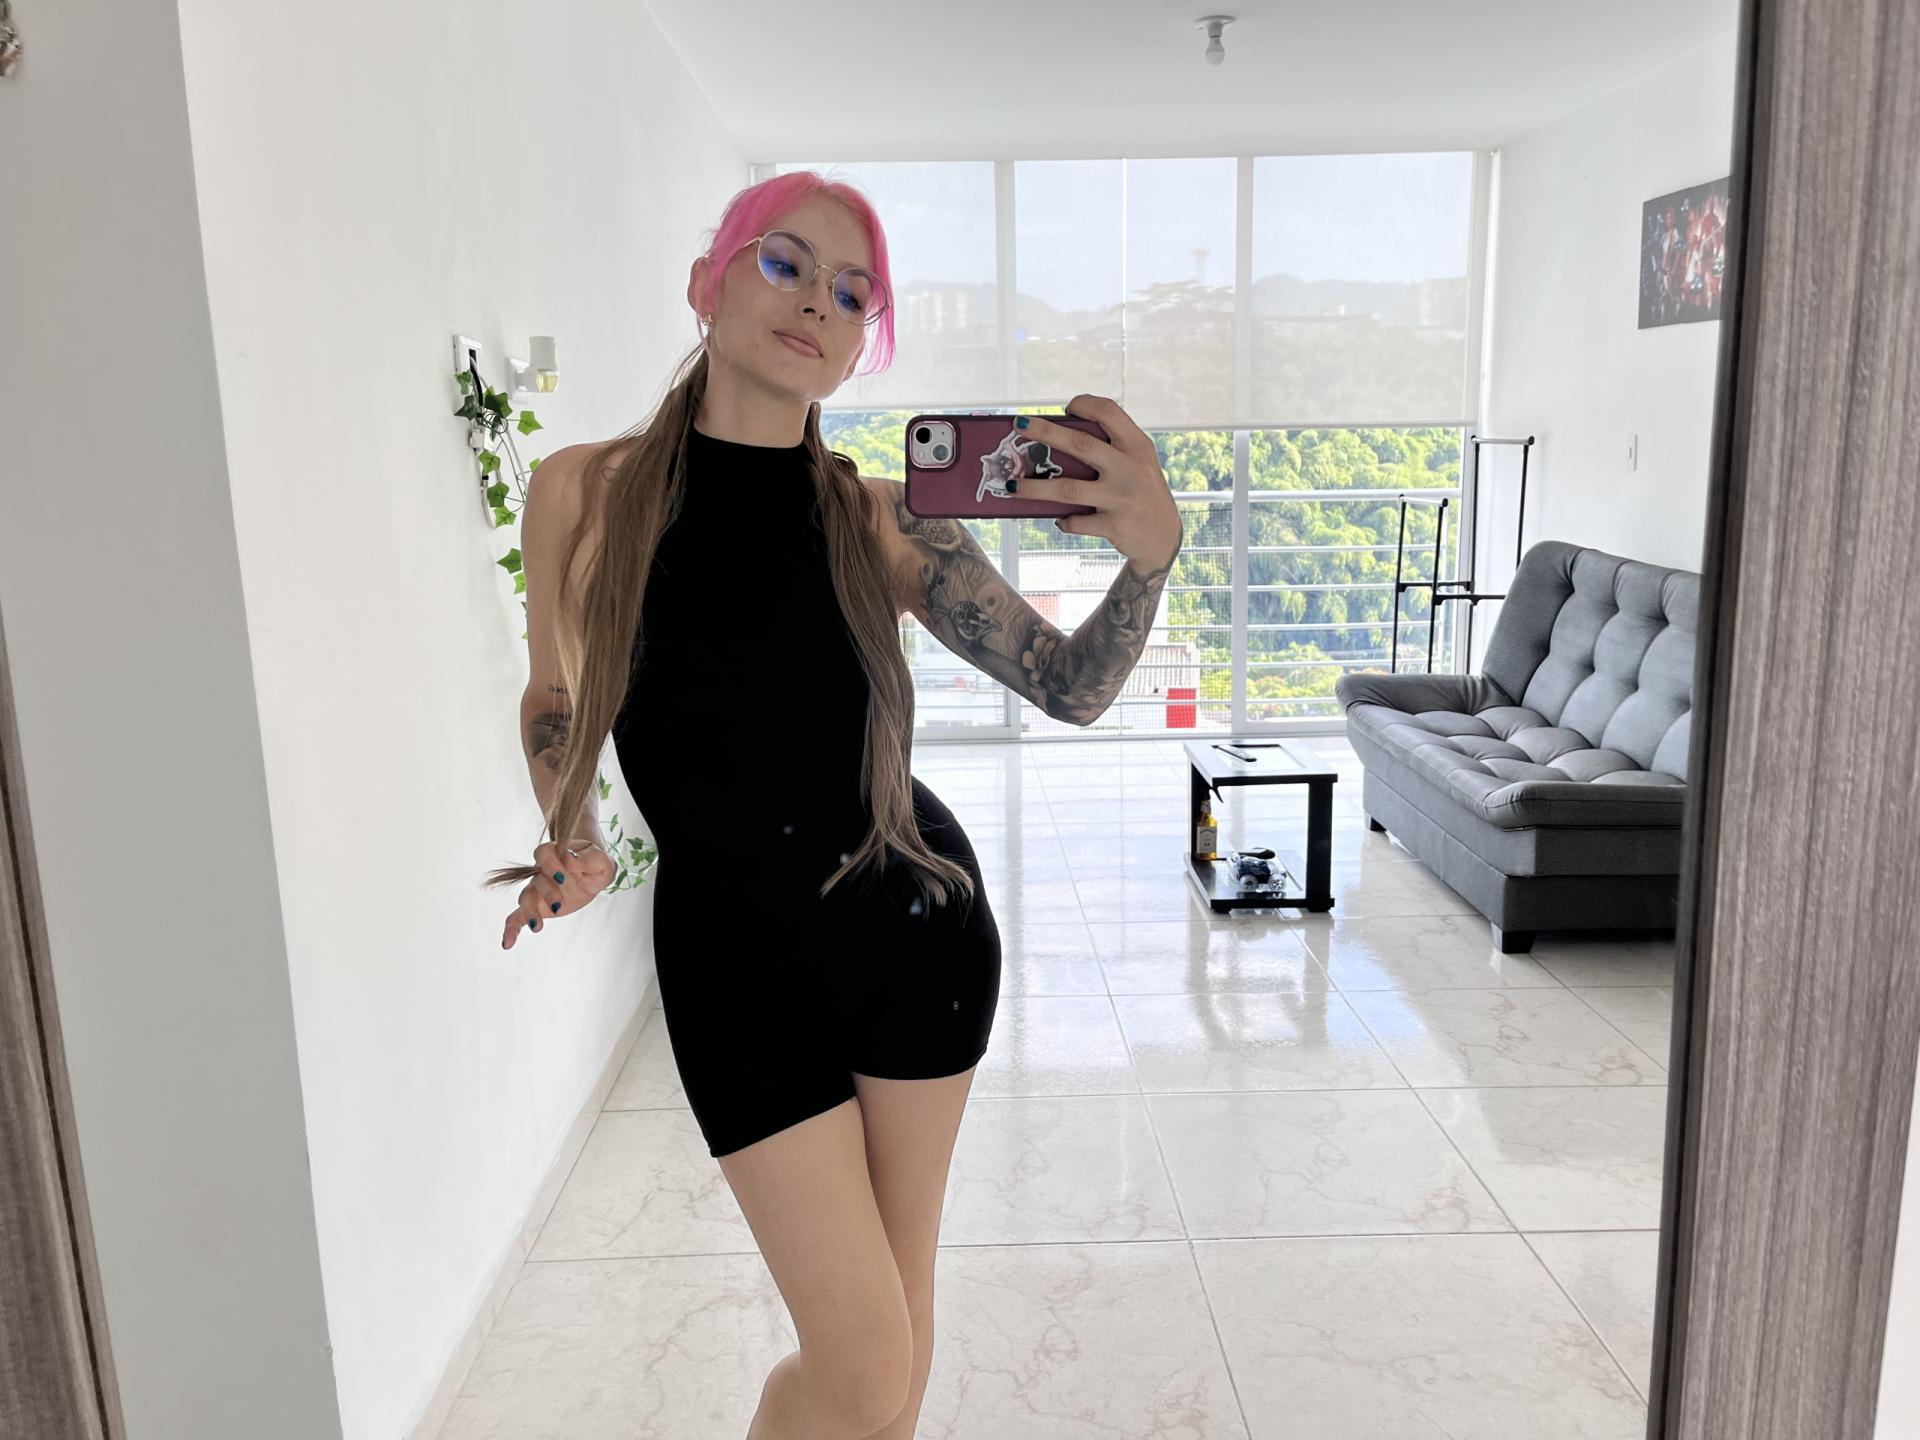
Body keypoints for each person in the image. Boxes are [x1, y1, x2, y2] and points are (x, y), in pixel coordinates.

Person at [481, 169, 1181, 1440]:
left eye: (854, 293)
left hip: (912, 929)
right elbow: (556, 691)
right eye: (784, 263)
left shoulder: (885, 522)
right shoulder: (582, 493)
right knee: (859, 1365)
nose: (817, 302)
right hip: (729, 965)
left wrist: (1150, 560)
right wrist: (570, 833)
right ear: (708, 282)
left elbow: (1072, 687)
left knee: (892, 1352)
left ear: (863, 345)